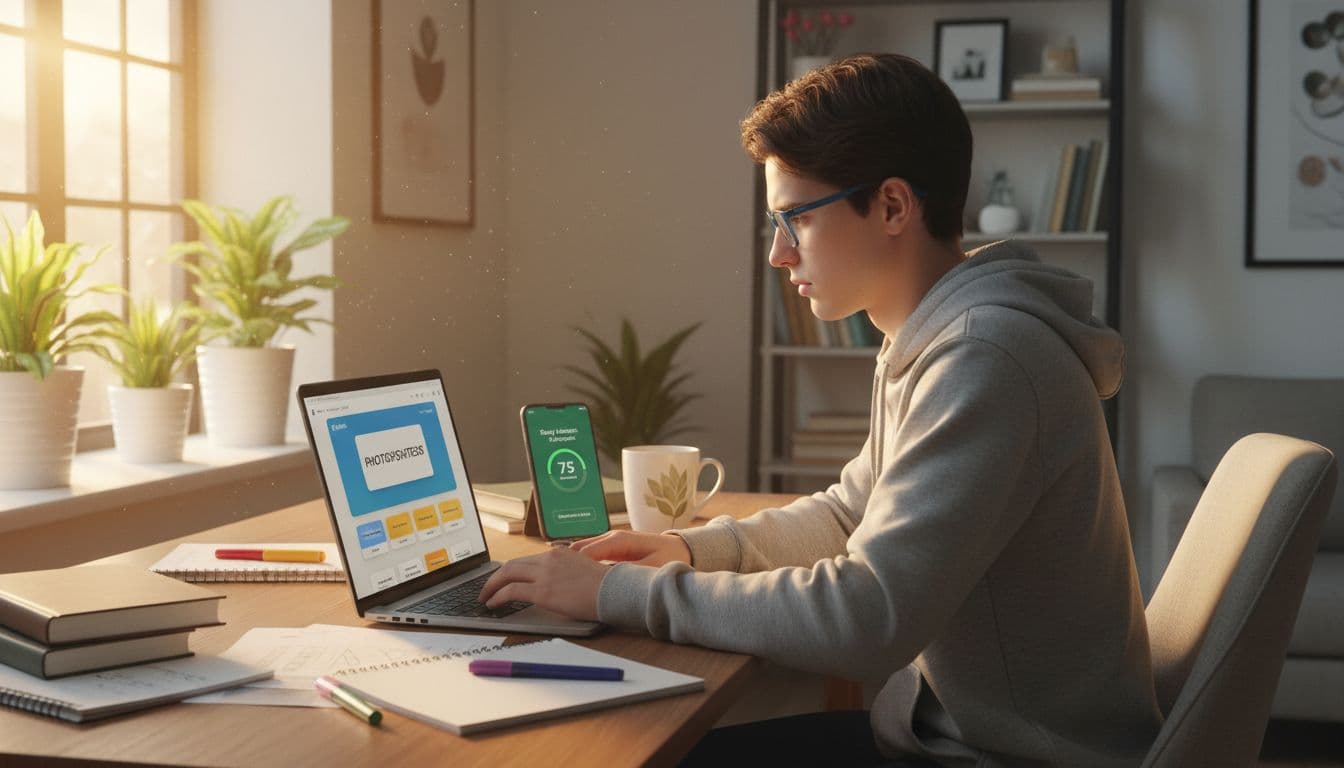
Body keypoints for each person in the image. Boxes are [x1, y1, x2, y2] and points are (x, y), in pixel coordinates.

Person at [481, 53, 1161, 767]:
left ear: (893, 206)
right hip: (949, 738)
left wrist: (622, 593)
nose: (779, 253)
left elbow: (867, 616)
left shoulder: (983, 356)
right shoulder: (934, 336)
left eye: (796, 220)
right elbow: (849, 514)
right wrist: (688, 550)